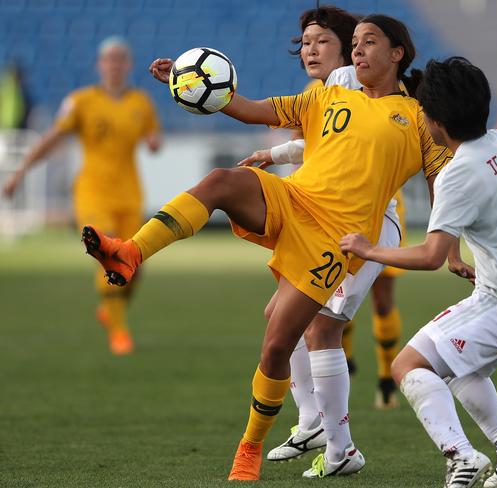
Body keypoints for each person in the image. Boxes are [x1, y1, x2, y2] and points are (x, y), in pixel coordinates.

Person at [83, 14, 454, 481]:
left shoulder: (418, 117)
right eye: (354, 42)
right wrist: (190, 81)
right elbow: (251, 108)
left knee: (279, 343)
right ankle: (129, 253)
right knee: (221, 182)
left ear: (397, 53)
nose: (356, 50)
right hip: (293, 199)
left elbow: (446, 182)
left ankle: (251, 449)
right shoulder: (328, 93)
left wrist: (451, 247)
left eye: (368, 42)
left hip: (336, 239)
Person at [340, 57, 497, 488]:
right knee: (460, 368)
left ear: (432, 121)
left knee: (408, 365)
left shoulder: (457, 173)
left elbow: (431, 256)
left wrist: (369, 249)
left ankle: (462, 457)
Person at [236, 6, 413, 473]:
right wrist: (275, 152)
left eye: (324, 42)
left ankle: (337, 445)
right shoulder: (329, 90)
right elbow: (318, 139)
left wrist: (274, 151)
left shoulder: (369, 84)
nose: (311, 51)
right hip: (319, 221)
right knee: (279, 316)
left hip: (362, 225)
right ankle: (319, 426)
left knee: (319, 326)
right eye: (307, 43)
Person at [2, 37, 161, 355]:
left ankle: (110, 309)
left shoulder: (141, 103)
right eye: (109, 60)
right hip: (92, 194)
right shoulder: (81, 102)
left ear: (128, 65)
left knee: (136, 267)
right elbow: (52, 138)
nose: (114, 65)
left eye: (120, 60)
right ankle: (118, 333)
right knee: (110, 254)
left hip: (129, 195)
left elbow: (153, 137)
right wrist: (20, 173)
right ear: (100, 65)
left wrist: (154, 141)